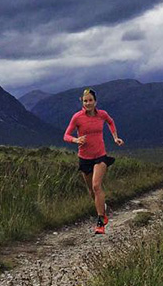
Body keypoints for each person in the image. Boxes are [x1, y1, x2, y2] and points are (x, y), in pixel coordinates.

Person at [63, 87, 124, 234]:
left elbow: (110, 122)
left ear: (95, 101)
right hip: (84, 157)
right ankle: (102, 208)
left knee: (97, 186)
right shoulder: (77, 117)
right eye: (85, 101)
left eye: (90, 100)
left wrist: (115, 137)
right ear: (82, 102)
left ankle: (100, 221)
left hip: (100, 156)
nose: (88, 103)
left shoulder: (102, 114)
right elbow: (66, 135)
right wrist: (76, 139)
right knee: (91, 190)